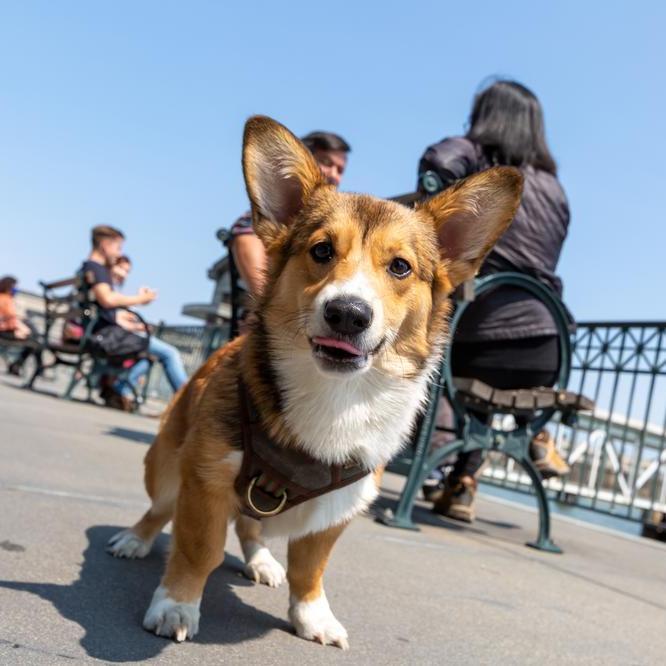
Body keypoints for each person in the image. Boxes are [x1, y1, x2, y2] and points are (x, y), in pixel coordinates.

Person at [417, 80, 571, 522]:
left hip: (481, 337)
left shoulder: (476, 159)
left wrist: (435, 202)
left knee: (420, 342)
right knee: (476, 373)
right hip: (548, 349)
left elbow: (437, 162)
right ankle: (463, 482)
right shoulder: (556, 191)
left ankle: (395, 463)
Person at [231, 130, 351, 297]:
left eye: (340, 170)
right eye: (326, 162)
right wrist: (264, 303)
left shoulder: (340, 218)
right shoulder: (280, 211)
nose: (333, 174)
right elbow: (245, 238)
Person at [81, 226, 187, 411]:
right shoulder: (97, 269)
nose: (119, 253)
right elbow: (107, 299)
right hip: (107, 337)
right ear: (105, 245)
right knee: (170, 354)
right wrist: (141, 299)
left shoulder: (88, 268)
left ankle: (118, 390)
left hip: (101, 332)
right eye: (118, 247)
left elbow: (105, 307)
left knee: (149, 357)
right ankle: (191, 402)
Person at [0, 276, 41, 376]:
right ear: (8, 286)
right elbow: (10, 318)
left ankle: (17, 365)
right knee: (35, 343)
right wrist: (21, 330)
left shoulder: (6, 298)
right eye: (14, 286)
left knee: (34, 341)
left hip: (8, 329)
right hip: (5, 331)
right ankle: (20, 365)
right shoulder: (5, 299)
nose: (15, 289)